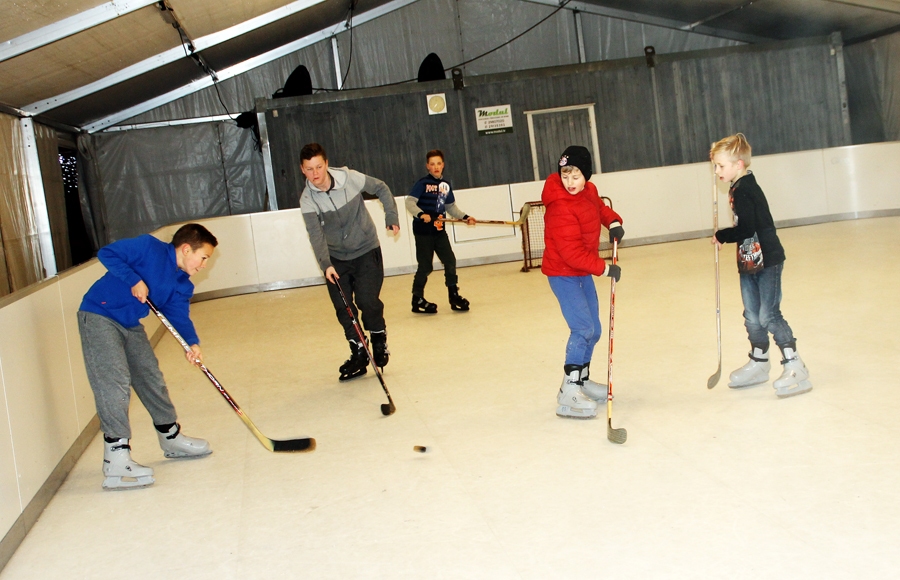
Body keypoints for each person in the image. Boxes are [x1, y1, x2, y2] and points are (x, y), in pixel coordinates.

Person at [78, 223, 218, 491]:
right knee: (115, 382)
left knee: (151, 377)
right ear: (186, 249)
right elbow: (107, 253)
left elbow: (177, 314)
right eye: (203, 258)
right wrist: (135, 280)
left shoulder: (181, 282)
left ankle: (170, 438)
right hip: (98, 316)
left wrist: (192, 344)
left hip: (130, 323)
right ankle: (116, 456)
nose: (203, 266)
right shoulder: (147, 247)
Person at [711, 133, 812, 398]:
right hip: (749, 261)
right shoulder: (737, 186)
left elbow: (747, 229)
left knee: (768, 315)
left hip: (767, 260)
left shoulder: (746, 189)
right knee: (752, 316)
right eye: (716, 166)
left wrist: (722, 235)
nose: (717, 171)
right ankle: (759, 361)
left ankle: (795, 364)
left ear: (739, 164)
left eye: (721, 166)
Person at [299, 142, 400, 382]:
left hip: (366, 250)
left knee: (367, 300)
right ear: (302, 170)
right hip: (336, 259)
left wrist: (391, 215)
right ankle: (358, 350)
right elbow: (316, 235)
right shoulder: (307, 200)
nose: (315, 174)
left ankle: (378, 335)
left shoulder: (350, 179)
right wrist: (326, 264)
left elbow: (382, 188)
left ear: (326, 163)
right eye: (309, 169)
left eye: (319, 167)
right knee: (344, 309)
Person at [541, 146, 624, 419]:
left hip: (581, 271)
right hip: (563, 273)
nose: (570, 182)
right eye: (565, 175)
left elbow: (599, 207)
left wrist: (612, 222)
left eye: (575, 175)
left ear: (586, 175)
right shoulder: (560, 206)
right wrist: (604, 269)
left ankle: (583, 380)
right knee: (583, 328)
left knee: (595, 329)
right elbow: (570, 253)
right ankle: (569, 390)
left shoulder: (588, 191)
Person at [406, 149, 476, 313]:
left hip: (439, 231)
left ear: (443, 165)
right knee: (425, 266)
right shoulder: (422, 184)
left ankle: (453, 296)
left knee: (450, 261)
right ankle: (417, 299)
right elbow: (410, 202)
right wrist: (421, 214)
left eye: (438, 163)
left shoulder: (445, 186)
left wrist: (465, 217)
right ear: (427, 167)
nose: (436, 167)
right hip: (423, 232)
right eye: (432, 164)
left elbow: (450, 207)